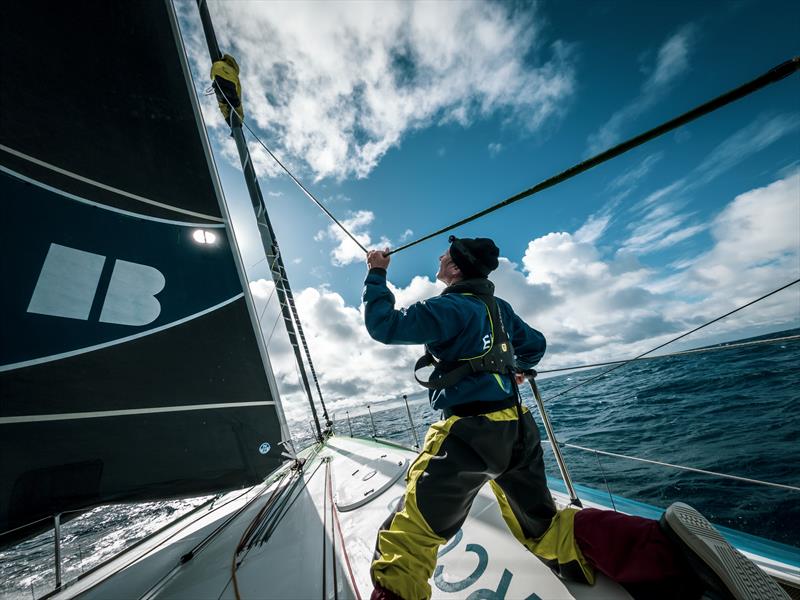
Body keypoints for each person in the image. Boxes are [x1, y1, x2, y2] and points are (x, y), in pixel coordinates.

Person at [363, 236, 787, 600]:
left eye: (444, 256)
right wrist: (519, 366)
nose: (438, 260)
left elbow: (383, 325)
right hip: (517, 429)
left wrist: (377, 273)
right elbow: (536, 345)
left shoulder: (449, 309)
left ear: (455, 268)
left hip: (468, 435)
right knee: (545, 528)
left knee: (409, 536)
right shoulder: (500, 309)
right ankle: (671, 555)